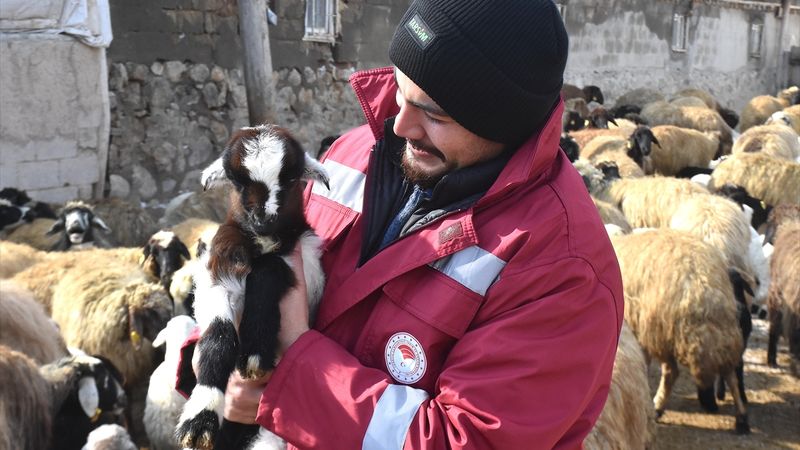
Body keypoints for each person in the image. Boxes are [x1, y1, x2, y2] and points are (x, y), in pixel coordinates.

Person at [177, 0, 624, 448]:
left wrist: (293, 376)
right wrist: (214, 359)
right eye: (400, 89)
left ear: (502, 121)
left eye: (435, 113)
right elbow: (257, 265)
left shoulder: (561, 266)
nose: (400, 125)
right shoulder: (350, 158)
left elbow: (465, 439)